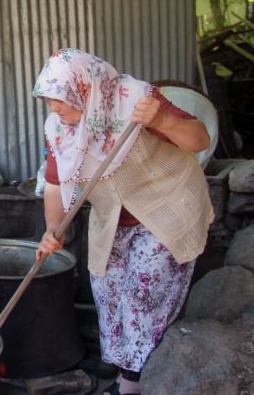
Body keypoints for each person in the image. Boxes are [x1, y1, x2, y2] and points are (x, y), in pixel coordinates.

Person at [32, 48, 213, 395]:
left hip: (167, 206)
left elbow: (200, 139)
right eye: (48, 100)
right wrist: (53, 229)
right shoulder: (58, 128)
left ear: (85, 89)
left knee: (144, 292)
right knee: (108, 290)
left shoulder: (136, 101)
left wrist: (162, 121)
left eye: (60, 99)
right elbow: (55, 185)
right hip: (113, 217)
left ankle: (131, 383)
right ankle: (126, 366)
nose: (54, 108)